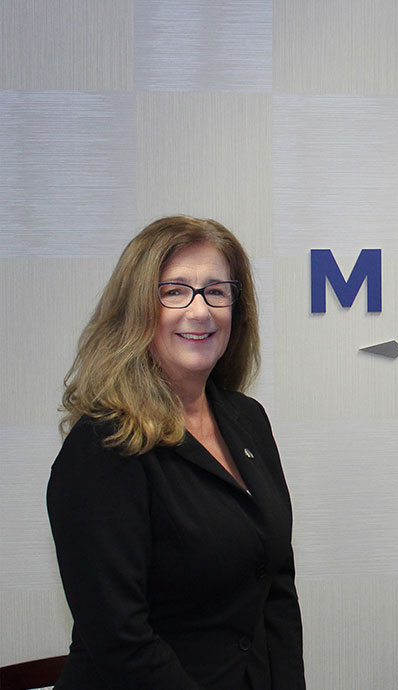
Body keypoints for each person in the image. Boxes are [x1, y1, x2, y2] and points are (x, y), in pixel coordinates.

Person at [48, 216, 305, 689]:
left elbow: (276, 590)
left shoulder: (247, 419)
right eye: (174, 291)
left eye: (216, 291)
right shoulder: (104, 444)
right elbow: (121, 639)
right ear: (137, 309)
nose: (200, 310)